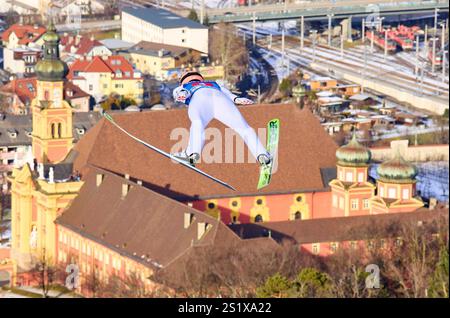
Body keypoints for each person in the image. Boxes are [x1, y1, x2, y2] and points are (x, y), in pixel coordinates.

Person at [172, 71, 271, 167]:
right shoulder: (213, 83)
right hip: (221, 100)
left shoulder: (184, 86)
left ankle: (192, 154)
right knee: (244, 128)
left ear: (183, 81)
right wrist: (237, 99)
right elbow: (227, 94)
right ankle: (262, 155)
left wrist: (182, 94)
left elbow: (180, 92)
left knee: (198, 124)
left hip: (200, 99)